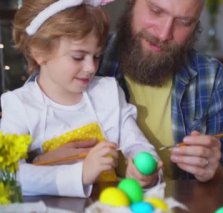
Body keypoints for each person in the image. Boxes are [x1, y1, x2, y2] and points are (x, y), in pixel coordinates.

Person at [0, 0, 161, 198]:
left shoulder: (107, 92)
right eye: (78, 57)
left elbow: (135, 142)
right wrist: (80, 174)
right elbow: (6, 172)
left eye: (96, 56)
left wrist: (145, 167)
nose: (91, 67)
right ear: (39, 52)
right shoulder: (20, 106)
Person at [97, 0, 223, 181]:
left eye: (184, 22)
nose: (164, 34)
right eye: (156, 11)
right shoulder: (88, 61)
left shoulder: (212, 78)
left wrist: (215, 172)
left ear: (195, 25)